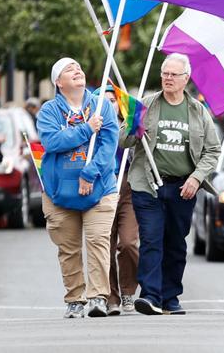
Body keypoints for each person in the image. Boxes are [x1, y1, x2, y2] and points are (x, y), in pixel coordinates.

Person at [121, 53, 220, 316]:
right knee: (152, 239)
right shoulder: (145, 105)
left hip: (182, 188)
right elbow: (123, 141)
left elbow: (212, 151)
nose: (168, 78)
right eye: (165, 73)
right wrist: (133, 127)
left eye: (174, 74)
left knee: (176, 242)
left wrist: (196, 178)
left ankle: (170, 296)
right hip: (148, 184)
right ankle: (151, 295)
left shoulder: (198, 111)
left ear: (186, 78)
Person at [36, 57, 120, 318]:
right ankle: (75, 299)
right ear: (58, 83)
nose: (77, 71)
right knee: (69, 248)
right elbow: (52, 142)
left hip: (99, 189)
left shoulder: (101, 107)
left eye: (78, 67)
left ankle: (98, 298)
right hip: (58, 193)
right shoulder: (49, 111)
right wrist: (86, 129)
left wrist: (89, 173)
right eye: (68, 69)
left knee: (97, 241)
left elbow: (109, 144)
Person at [102, 86, 138, 316]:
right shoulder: (94, 127)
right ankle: (111, 297)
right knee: (104, 244)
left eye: (113, 99)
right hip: (103, 187)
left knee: (127, 243)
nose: (109, 104)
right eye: (104, 100)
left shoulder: (129, 125)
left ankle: (128, 291)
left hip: (128, 186)